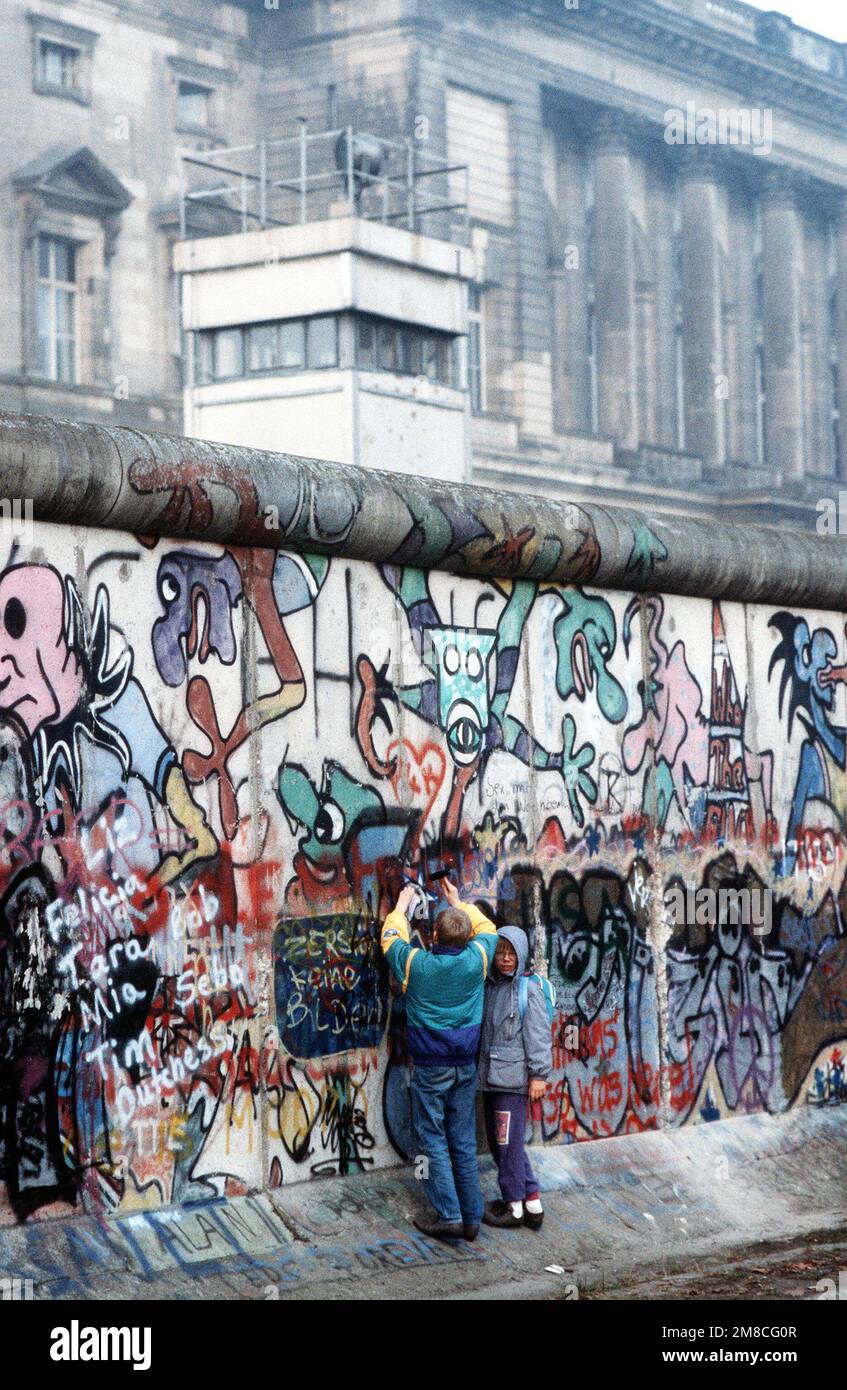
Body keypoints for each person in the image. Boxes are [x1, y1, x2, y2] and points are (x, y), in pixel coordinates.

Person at [380, 878, 497, 1242]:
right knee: (461, 1138)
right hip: (465, 1064)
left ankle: (449, 1214)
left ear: (433, 937)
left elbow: (390, 940)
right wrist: (458, 902)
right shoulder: (478, 959)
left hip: (430, 1066)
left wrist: (400, 907)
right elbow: (488, 928)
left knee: (431, 1137)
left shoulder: (417, 965)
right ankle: (472, 1216)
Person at [478, 926, 552, 1230]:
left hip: (513, 1083)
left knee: (506, 1145)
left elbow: (538, 1035)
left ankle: (514, 1208)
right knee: (505, 1145)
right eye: (500, 952)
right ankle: (532, 1203)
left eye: (511, 953)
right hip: (492, 1079)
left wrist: (539, 1075)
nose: (505, 959)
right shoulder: (491, 987)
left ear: (521, 955)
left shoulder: (527, 990)